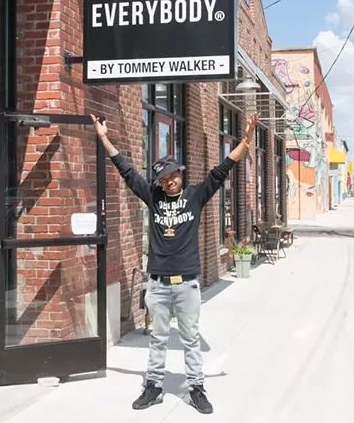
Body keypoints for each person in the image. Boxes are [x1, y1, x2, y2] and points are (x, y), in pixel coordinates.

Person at [91, 112, 259, 415]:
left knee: (191, 339)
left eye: (174, 176)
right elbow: (127, 172)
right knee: (158, 339)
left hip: (187, 285)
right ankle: (153, 387)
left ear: (181, 174)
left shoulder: (195, 195)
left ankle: (196, 388)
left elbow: (222, 170)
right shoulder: (152, 196)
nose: (170, 182)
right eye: (165, 178)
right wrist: (103, 138)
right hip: (157, 283)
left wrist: (246, 140)